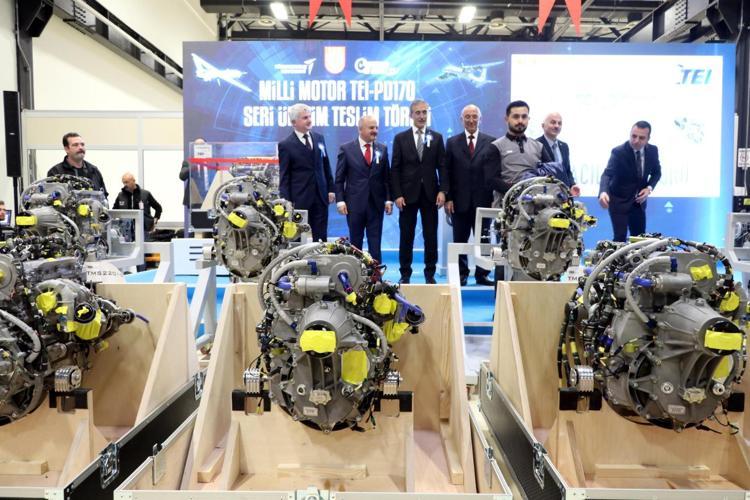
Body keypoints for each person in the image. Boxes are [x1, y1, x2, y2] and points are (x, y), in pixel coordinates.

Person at [390, 99, 448, 284]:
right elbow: (395, 169)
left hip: (431, 195)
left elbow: (443, 167)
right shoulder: (400, 138)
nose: (422, 116)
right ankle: (405, 273)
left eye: (424, 112)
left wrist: (443, 191)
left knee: (430, 236)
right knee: (406, 236)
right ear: (411, 115)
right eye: (418, 112)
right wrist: (397, 194)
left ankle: (430, 274)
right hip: (407, 196)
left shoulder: (437, 137)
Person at [444, 104, 495, 286]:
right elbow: (447, 172)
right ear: (461, 120)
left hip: (484, 201)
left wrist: (494, 199)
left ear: (480, 119)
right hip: (459, 201)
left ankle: (482, 274)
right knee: (460, 240)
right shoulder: (452, 142)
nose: (471, 120)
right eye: (467, 117)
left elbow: (494, 173)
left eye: (474, 116)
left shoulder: (491, 142)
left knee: (484, 240)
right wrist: (448, 198)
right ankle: (462, 274)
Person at [334, 115, 392, 263]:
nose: (375, 131)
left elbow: (386, 178)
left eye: (376, 127)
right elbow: (339, 179)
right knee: (355, 244)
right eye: (371, 128)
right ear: (360, 129)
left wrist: (388, 200)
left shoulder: (382, 149)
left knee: (375, 244)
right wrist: (340, 201)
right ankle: (357, 274)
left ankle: (376, 274)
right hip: (354, 205)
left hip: (376, 205)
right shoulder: (346, 149)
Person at [278, 103, 335, 242]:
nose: (309, 120)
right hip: (299, 199)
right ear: (294, 122)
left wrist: (331, 189)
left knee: (321, 239)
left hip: (320, 197)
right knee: (297, 240)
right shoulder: (286, 145)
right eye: (305, 118)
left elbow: (326, 165)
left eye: (309, 116)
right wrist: (286, 202)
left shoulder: (319, 138)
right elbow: (284, 176)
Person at [598, 120, 662, 242]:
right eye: (633, 136)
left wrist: (648, 188)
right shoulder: (619, 152)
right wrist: (603, 192)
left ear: (648, 139)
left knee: (639, 240)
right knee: (620, 239)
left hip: (638, 203)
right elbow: (607, 174)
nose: (636, 140)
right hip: (618, 201)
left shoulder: (653, 151)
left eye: (641, 138)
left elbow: (657, 173)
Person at [483, 100, 551, 207]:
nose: (520, 120)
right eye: (516, 116)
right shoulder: (496, 146)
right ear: (507, 119)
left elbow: (550, 176)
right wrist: (519, 191)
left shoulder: (539, 146)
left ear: (528, 119)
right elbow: (491, 180)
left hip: (536, 208)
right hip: (505, 208)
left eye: (524, 117)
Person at [48, 132, 108, 198]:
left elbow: (104, 196)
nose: (80, 147)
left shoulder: (94, 171)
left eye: (82, 144)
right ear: (66, 149)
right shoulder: (55, 172)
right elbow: (51, 199)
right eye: (75, 145)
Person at [537, 112, 580, 196]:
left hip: (564, 195)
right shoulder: (536, 145)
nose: (557, 126)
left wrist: (572, 185)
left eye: (559, 123)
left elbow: (567, 171)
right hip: (544, 195)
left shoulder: (564, 146)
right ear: (543, 126)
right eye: (553, 122)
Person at [179, 138, 205, 236]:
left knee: (208, 226)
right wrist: (193, 165)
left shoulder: (211, 160)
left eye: (202, 145)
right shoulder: (188, 161)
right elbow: (182, 176)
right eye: (197, 146)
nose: (200, 148)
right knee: (194, 227)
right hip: (194, 199)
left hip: (208, 196)